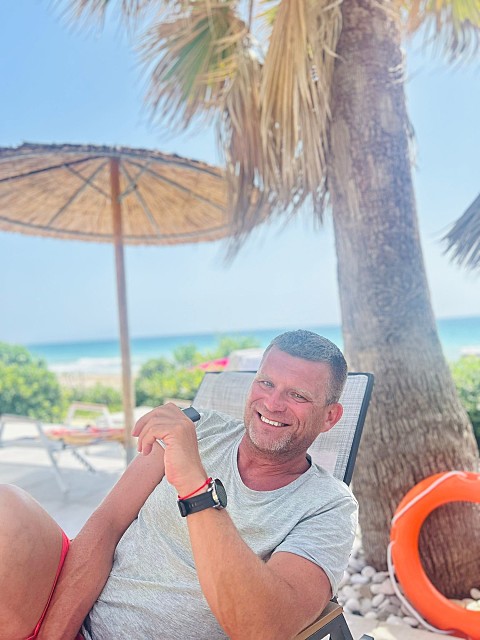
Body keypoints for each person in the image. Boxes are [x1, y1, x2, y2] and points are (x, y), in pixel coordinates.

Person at [0, 330, 358, 640]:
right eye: (266, 383)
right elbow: (106, 525)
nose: (273, 404)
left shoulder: (329, 506)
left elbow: (264, 628)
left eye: (298, 396)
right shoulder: (196, 428)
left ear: (330, 416)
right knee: (6, 508)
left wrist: (195, 485)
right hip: (79, 619)